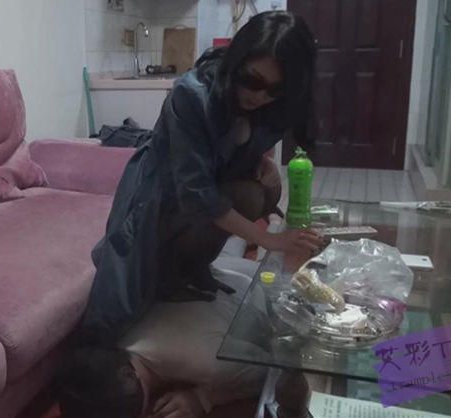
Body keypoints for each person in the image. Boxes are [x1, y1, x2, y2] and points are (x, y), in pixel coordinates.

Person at [81, 11, 324, 344]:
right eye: (252, 81)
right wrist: (269, 240)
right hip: (162, 197)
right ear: (237, 60)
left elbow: (239, 147)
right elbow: (197, 194)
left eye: (275, 90)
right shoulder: (192, 94)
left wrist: (260, 161)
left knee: (266, 191)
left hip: (202, 191)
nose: (259, 96)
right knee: (112, 318)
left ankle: (191, 269)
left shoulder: (275, 105)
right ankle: (168, 274)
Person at [56, 256, 271, 418]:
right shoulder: (116, 324)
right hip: (216, 267)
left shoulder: (209, 364)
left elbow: (270, 372)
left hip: (259, 289)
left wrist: (203, 398)